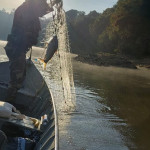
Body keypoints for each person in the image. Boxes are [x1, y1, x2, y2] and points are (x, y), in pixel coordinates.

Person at [4, 0, 54, 102]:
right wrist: (51, 5)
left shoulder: (30, 8)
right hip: (16, 49)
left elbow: (43, 10)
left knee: (20, 76)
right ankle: (8, 104)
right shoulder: (25, 9)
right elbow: (40, 11)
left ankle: (10, 102)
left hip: (18, 49)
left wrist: (53, 4)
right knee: (16, 80)